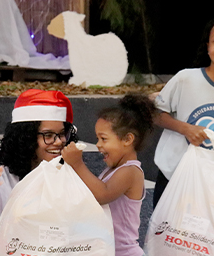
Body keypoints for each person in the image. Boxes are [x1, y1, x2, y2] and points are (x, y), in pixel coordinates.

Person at [151, 16, 214, 207]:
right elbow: (155, 113)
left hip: (212, 183)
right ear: (208, 47)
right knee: (163, 235)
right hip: (172, 175)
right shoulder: (186, 79)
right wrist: (184, 128)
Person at [0, 89, 78, 244]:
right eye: (48, 135)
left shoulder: (73, 170)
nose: (59, 141)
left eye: (62, 134)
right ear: (26, 138)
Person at [62, 93, 157, 256]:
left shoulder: (131, 171)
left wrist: (77, 164)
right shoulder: (112, 170)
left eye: (103, 139)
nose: (98, 145)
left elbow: (103, 194)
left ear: (127, 139)